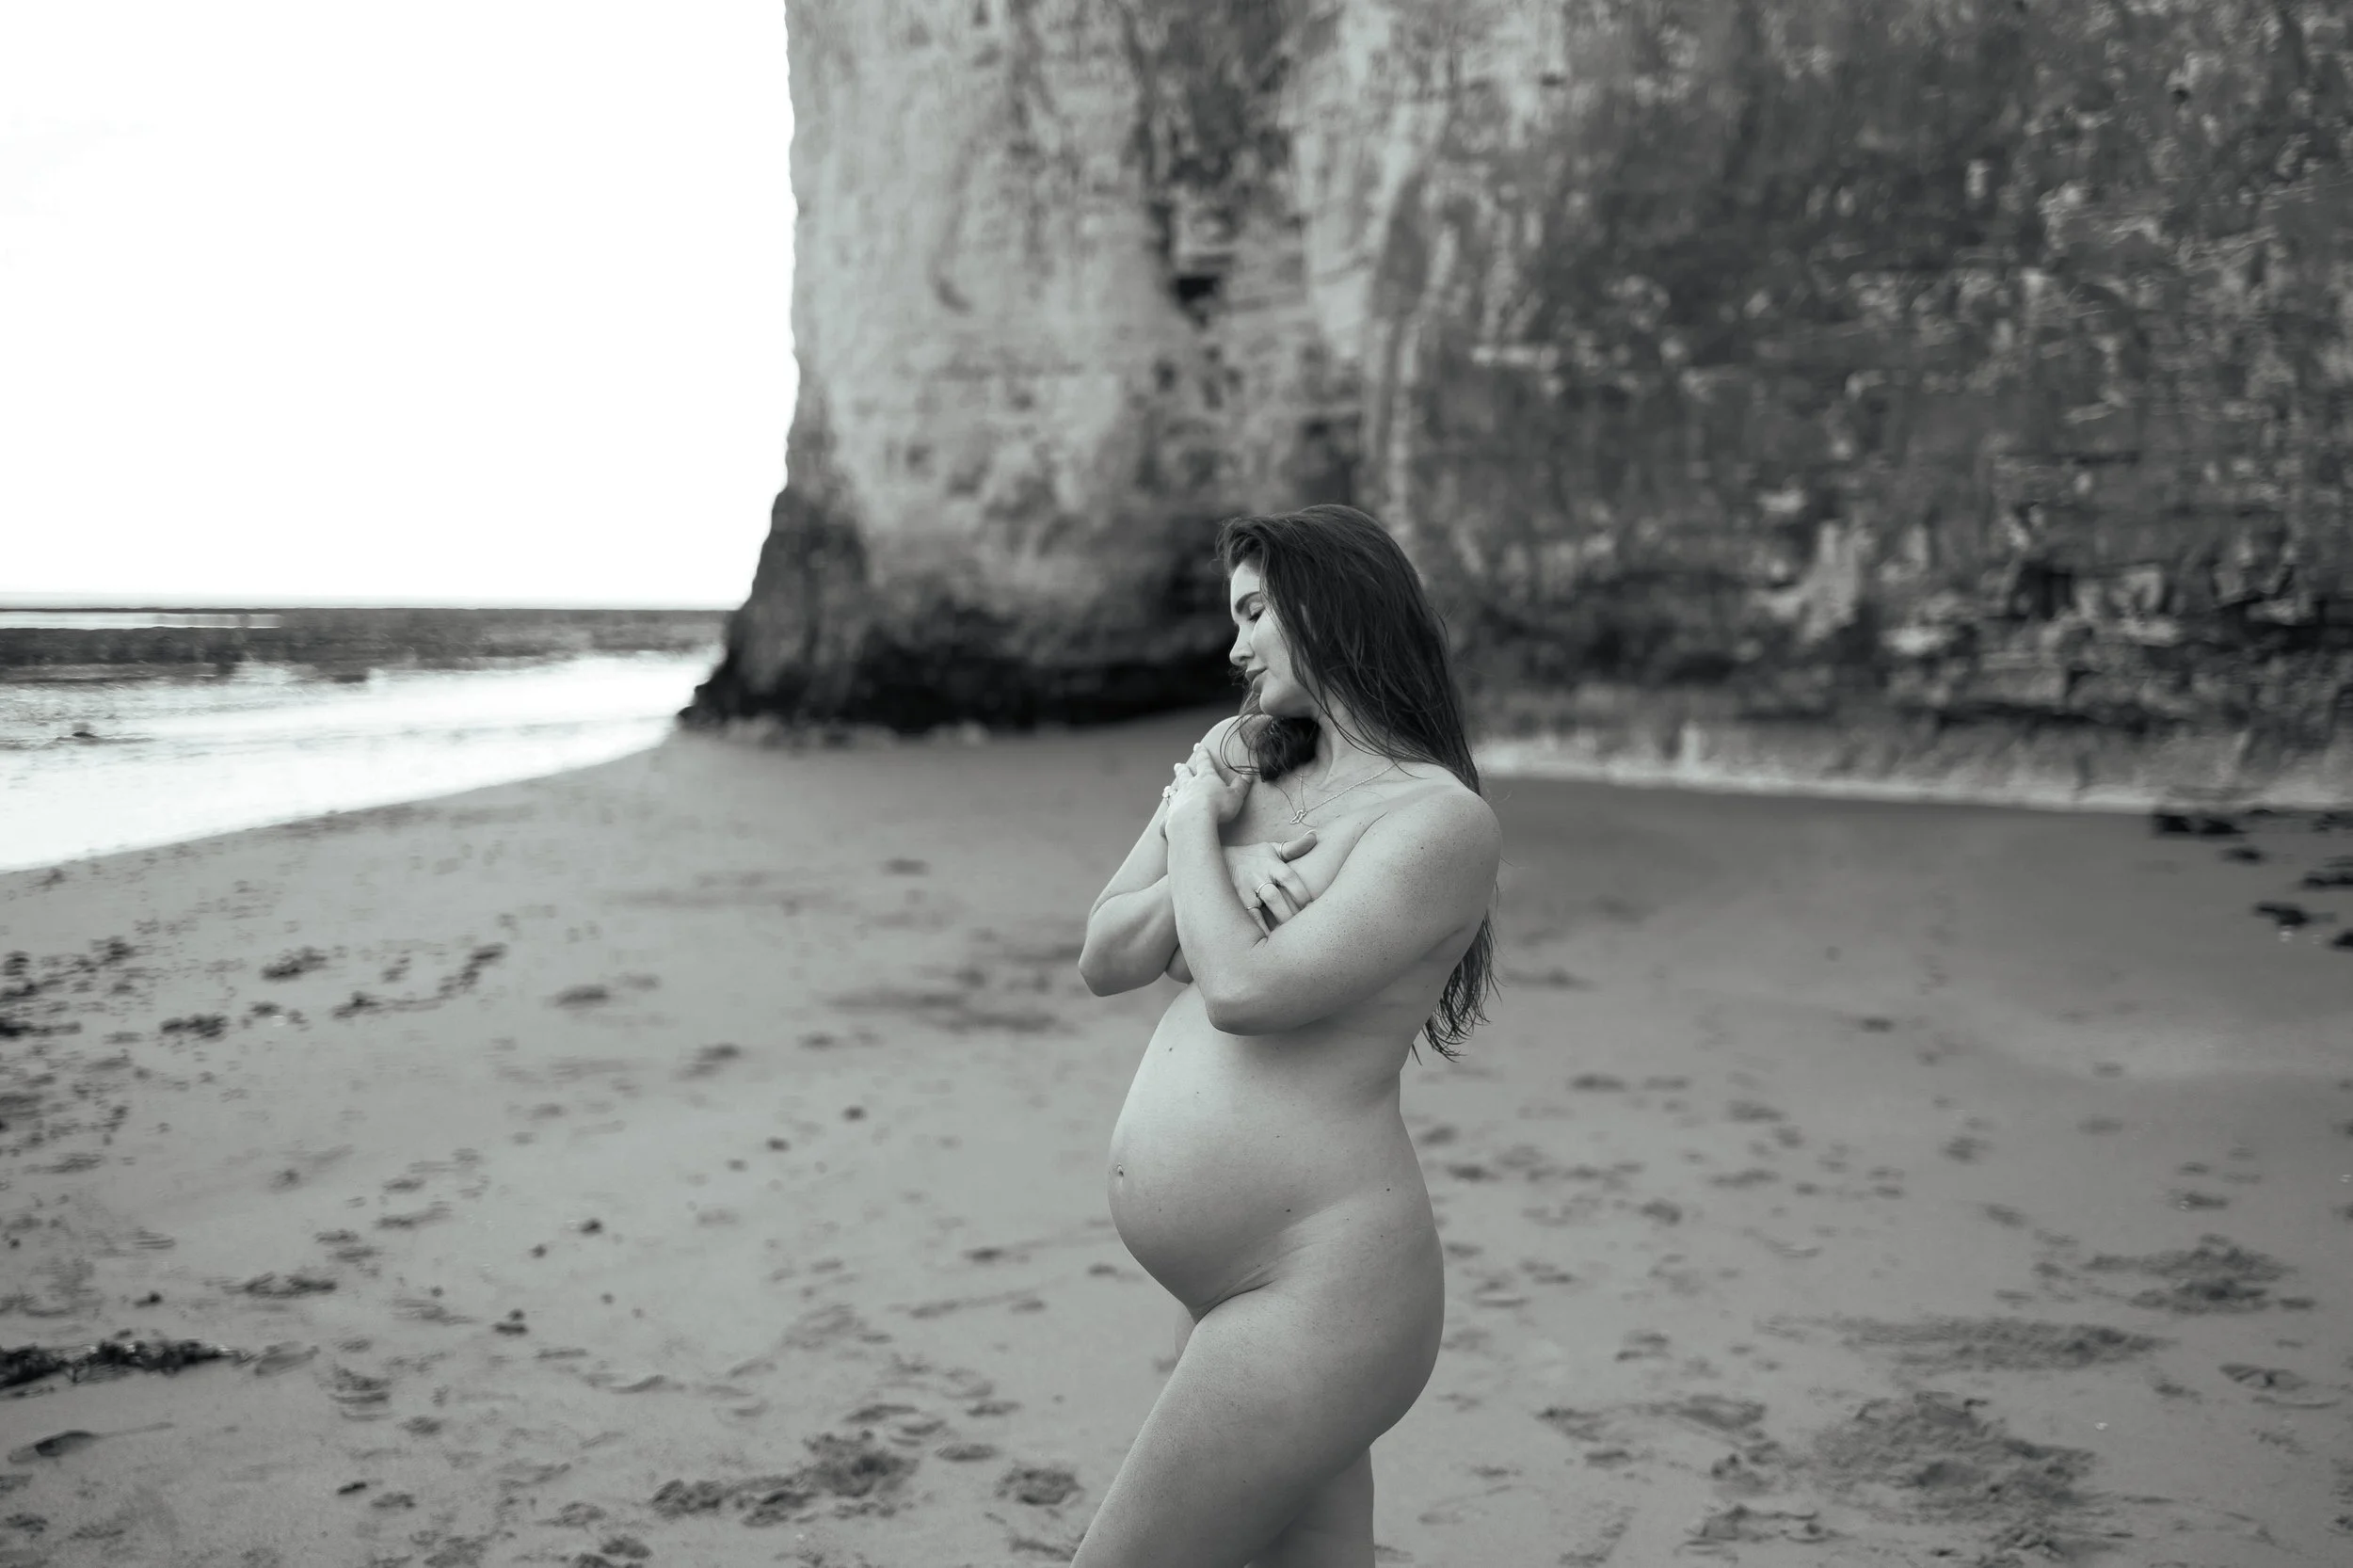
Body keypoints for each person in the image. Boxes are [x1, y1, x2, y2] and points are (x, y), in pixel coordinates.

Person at [1073, 504, 1502, 1567]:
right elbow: (1103, 954)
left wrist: (1190, 836)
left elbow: (1244, 990)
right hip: (1230, 1287)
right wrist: (1208, 865)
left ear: (1330, 605)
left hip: (1320, 1288)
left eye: (1255, 610)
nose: (1233, 645)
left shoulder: (1437, 822)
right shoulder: (1239, 756)